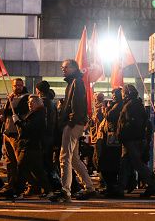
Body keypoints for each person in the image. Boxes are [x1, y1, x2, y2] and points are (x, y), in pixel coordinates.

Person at [49, 59, 96, 203]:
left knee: (64, 157)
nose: (63, 69)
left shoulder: (76, 82)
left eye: (65, 67)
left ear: (74, 68)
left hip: (73, 124)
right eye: (62, 67)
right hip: (75, 123)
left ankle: (65, 190)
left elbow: (78, 105)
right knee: (74, 159)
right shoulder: (74, 82)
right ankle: (89, 188)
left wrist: (70, 122)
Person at [116, 85, 155, 198]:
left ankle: (152, 183)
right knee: (125, 163)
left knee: (137, 164)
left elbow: (132, 123)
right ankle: (120, 188)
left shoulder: (132, 105)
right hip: (132, 139)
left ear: (128, 93)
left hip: (132, 139)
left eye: (124, 92)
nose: (122, 95)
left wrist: (123, 134)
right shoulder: (135, 104)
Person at [11, 95, 51, 199]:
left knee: (21, 168)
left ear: (38, 103)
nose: (30, 104)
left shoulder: (38, 115)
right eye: (29, 102)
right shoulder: (37, 114)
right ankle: (48, 190)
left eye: (32, 102)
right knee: (37, 170)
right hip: (33, 145)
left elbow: (29, 128)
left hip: (30, 145)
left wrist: (18, 122)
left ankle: (18, 191)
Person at [0, 78, 29, 195]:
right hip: (7, 132)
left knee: (18, 161)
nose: (18, 87)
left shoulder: (26, 97)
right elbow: (8, 114)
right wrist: (3, 114)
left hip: (16, 133)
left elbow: (20, 111)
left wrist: (7, 110)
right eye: (16, 85)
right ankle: (11, 185)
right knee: (9, 161)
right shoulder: (10, 97)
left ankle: (19, 186)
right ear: (12, 86)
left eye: (20, 85)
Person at [98, 88, 124, 197]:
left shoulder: (118, 106)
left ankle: (112, 187)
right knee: (108, 164)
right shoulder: (116, 105)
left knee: (110, 164)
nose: (113, 96)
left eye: (115, 94)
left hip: (113, 139)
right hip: (110, 138)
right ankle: (110, 187)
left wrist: (107, 109)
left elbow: (109, 116)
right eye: (113, 94)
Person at [35, 81, 60, 191]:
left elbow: (42, 122)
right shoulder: (52, 102)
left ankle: (52, 186)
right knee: (48, 163)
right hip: (50, 137)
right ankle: (53, 186)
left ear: (38, 90)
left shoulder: (42, 103)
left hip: (43, 137)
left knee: (44, 164)